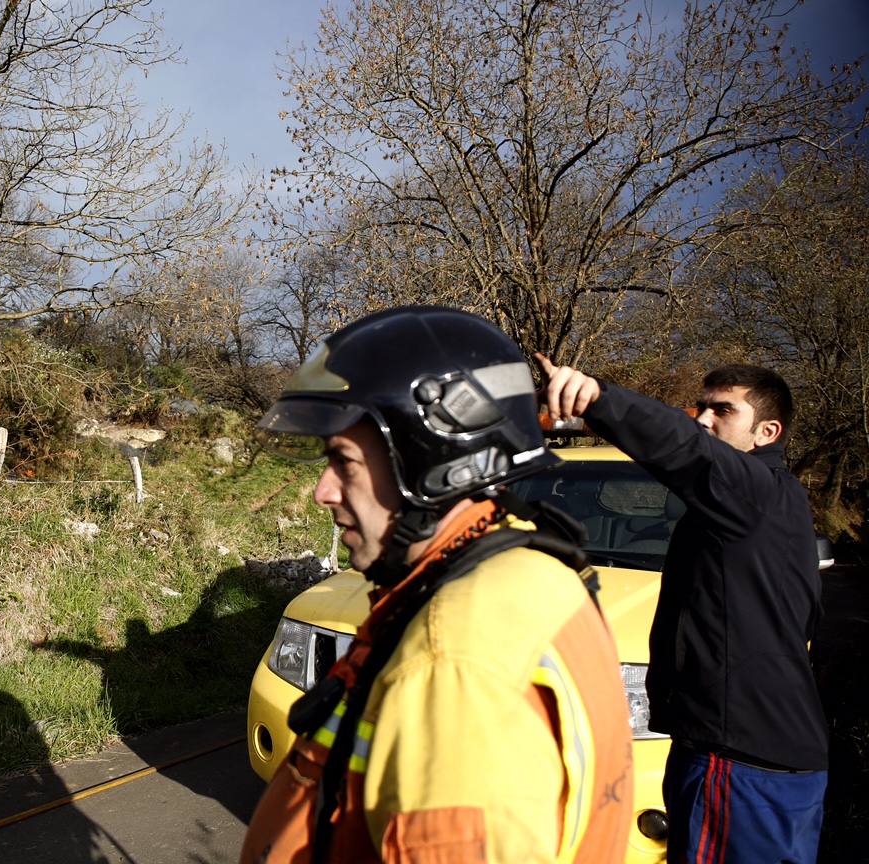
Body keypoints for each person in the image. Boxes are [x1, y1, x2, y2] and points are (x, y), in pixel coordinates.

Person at [241, 307, 632, 864]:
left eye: (344, 463)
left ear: (435, 464)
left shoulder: (454, 654)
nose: (323, 492)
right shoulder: (531, 575)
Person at [537, 356, 827, 863]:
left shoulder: (751, 491)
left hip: (738, 762)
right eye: (701, 408)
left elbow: (683, 448)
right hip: (772, 758)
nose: (703, 420)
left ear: (767, 432)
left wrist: (597, 399)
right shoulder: (772, 502)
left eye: (723, 411)